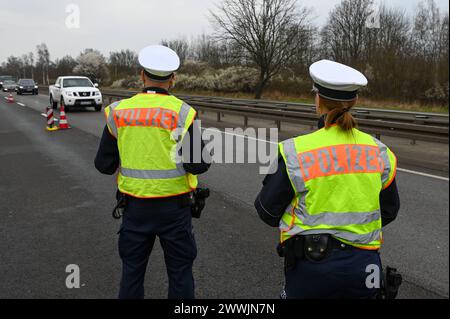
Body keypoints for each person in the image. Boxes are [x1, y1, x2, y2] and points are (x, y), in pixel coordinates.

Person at [254, 60, 400, 299]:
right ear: (353, 102)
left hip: (312, 267)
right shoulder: (380, 151)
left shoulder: (296, 151)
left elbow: (267, 212)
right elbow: (390, 210)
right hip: (366, 266)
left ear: (318, 100)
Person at [95, 45, 211, 299]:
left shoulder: (119, 111)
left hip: (134, 208)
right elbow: (198, 164)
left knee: (132, 272)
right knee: (180, 273)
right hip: (174, 210)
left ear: (141, 75)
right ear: (173, 79)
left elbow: (103, 164)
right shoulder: (182, 112)